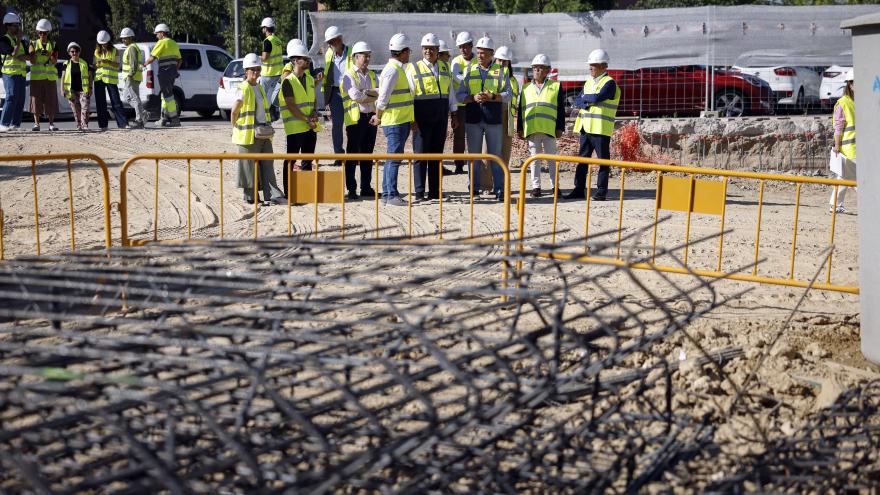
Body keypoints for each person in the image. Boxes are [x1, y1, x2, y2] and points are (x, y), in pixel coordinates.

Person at [456, 36, 511, 201]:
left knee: (495, 156)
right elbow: (460, 95)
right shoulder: (469, 70)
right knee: (474, 156)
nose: (480, 56)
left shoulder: (500, 71)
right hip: (473, 119)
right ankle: (473, 189)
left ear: (492, 54)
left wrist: (493, 96)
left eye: (484, 53)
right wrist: (472, 97)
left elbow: (509, 94)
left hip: (493, 119)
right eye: (478, 52)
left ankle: (500, 189)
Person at [405, 33, 457, 201]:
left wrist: (454, 113)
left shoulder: (444, 67)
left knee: (437, 155)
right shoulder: (414, 68)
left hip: (440, 117)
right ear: (422, 50)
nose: (429, 51)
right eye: (426, 48)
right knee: (420, 156)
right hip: (421, 118)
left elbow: (451, 93)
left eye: (432, 48)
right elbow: (409, 95)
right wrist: (411, 119)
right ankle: (419, 192)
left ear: (437, 50)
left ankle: (435, 192)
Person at [231, 53, 286, 206]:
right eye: (252, 69)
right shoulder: (244, 88)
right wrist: (235, 126)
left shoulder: (259, 87)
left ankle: (274, 195)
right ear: (246, 70)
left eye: (258, 69)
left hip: (263, 133)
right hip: (248, 135)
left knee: (268, 164)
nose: (256, 72)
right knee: (248, 168)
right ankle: (250, 196)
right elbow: (234, 110)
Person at [566, 48, 619, 201]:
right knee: (582, 160)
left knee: (602, 161)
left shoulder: (609, 83)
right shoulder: (589, 82)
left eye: (593, 65)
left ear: (604, 66)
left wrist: (586, 99)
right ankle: (578, 189)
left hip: (600, 128)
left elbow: (598, 97)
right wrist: (587, 99)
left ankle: (601, 191)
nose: (590, 67)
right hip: (585, 127)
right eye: (590, 65)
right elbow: (577, 100)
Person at [374, 33, 415, 207]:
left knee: (393, 158)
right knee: (394, 158)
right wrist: (378, 116)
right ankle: (390, 194)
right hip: (395, 122)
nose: (409, 54)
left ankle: (388, 192)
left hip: (400, 120)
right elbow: (383, 98)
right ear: (403, 52)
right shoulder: (393, 70)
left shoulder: (397, 69)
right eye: (408, 51)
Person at [517, 54, 565, 198]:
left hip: (549, 129)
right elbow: (521, 109)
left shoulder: (555, 86)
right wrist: (520, 128)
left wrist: (560, 127)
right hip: (532, 129)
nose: (537, 70)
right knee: (534, 160)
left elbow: (560, 109)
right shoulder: (526, 88)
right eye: (535, 68)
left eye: (541, 68)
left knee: (552, 160)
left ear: (547, 70)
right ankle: (536, 187)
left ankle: (555, 187)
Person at [279, 43, 321, 197]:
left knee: (308, 161)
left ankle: (305, 191)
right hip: (296, 128)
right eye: (305, 59)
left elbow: (314, 99)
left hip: (310, 126)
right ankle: (289, 192)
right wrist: (306, 119)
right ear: (295, 60)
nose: (308, 61)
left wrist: (315, 112)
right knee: (291, 159)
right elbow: (291, 105)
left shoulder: (309, 79)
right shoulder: (288, 81)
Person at [341, 41, 378, 200]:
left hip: (370, 118)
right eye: (364, 55)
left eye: (368, 55)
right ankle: (351, 188)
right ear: (356, 57)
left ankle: (366, 187)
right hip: (355, 120)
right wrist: (370, 95)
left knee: (367, 155)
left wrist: (366, 93)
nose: (367, 58)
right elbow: (355, 96)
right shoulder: (349, 75)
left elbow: (380, 92)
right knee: (352, 155)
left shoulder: (371, 74)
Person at [322, 26, 353, 159]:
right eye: (328, 42)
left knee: (352, 124)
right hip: (335, 93)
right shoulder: (329, 54)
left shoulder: (352, 52)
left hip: (350, 93)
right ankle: (339, 156)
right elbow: (326, 78)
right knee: (337, 125)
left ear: (339, 39)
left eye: (332, 41)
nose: (330, 44)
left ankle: (353, 155)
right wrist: (326, 100)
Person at [144, 23, 181, 127]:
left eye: (157, 34)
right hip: (172, 73)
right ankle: (164, 118)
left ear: (162, 33)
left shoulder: (161, 42)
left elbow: (152, 58)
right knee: (164, 95)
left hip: (164, 72)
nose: (156, 36)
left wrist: (143, 64)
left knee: (168, 96)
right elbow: (179, 60)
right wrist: (175, 70)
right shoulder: (173, 43)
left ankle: (174, 119)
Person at [830, 69, 856, 214]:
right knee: (858, 178)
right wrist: (837, 145)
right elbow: (838, 128)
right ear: (850, 85)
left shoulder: (858, 102)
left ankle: (835, 205)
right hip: (850, 147)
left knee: (844, 176)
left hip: (859, 147)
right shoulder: (843, 103)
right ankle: (873, 204)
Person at [450, 31, 475, 174]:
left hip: (474, 104)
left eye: (466, 46)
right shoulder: (456, 61)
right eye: (461, 47)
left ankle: (475, 162)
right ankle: (459, 164)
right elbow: (457, 77)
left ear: (471, 46)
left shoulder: (478, 61)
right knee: (459, 136)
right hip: (460, 105)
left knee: (475, 135)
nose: (463, 50)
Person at [93, 30, 129, 131]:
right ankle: (103, 125)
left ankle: (123, 124)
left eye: (105, 43)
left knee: (116, 101)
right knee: (101, 103)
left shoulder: (115, 51)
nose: (103, 45)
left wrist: (108, 62)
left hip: (111, 79)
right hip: (99, 79)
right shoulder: (96, 51)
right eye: (101, 43)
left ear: (108, 42)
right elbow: (94, 65)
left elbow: (118, 65)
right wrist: (99, 63)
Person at [28, 18, 59, 132]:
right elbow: (32, 60)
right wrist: (36, 53)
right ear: (38, 33)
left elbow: (54, 61)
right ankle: (36, 124)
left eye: (44, 33)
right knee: (36, 101)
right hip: (36, 78)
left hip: (50, 78)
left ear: (48, 33)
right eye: (40, 32)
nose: (42, 35)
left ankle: (51, 124)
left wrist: (48, 53)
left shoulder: (54, 44)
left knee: (50, 100)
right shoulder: (33, 43)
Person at [0, 13, 27, 132]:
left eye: (18, 25)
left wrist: (22, 55)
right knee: (11, 97)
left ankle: (15, 125)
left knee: (20, 99)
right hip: (9, 73)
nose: (18, 28)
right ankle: (3, 124)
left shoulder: (18, 41)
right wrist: (19, 40)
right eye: (16, 25)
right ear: (8, 26)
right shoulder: (4, 40)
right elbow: (14, 54)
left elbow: (26, 56)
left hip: (21, 74)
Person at [495, 46, 519, 167]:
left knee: (505, 149)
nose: (501, 63)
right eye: (499, 60)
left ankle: (503, 174)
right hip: (493, 116)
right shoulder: (490, 77)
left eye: (504, 61)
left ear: (509, 62)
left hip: (508, 117)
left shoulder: (513, 81)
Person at [61, 42, 91, 131]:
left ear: (79, 52)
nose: (74, 53)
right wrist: (62, 89)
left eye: (76, 51)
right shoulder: (66, 64)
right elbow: (63, 77)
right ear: (69, 53)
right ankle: (78, 125)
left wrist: (90, 87)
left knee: (85, 107)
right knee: (76, 109)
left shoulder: (84, 63)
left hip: (83, 89)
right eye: (72, 51)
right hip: (71, 90)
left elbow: (90, 76)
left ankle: (84, 125)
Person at [120, 27, 145, 128]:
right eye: (122, 38)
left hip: (131, 77)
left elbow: (133, 64)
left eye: (125, 38)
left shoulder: (132, 48)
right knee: (131, 97)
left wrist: (130, 75)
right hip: (133, 77)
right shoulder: (133, 47)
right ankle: (143, 114)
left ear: (130, 38)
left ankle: (139, 120)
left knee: (131, 97)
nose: (123, 40)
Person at [259, 17, 283, 121]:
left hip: (267, 74)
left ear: (265, 28)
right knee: (274, 97)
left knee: (261, 97)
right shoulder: (278, 40)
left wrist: (257, 58)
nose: (262, 30)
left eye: (263, 28)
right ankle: (273, 113)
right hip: (278, 73)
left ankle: (261, 117)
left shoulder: (267, 41)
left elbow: (265, 57)